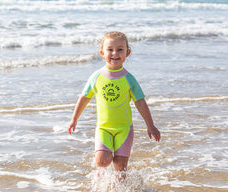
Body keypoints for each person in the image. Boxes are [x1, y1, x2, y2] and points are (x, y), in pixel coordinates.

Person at [68, 31, 161, 174]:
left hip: (124, 129)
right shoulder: (96, 77)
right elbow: (84, 98)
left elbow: (140, 102)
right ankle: (101, 176)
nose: (115, 53)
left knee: (120, 166)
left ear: (127, 53)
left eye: (120, 49)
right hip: (103, 128)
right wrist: (74, 119)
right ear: (102, 52)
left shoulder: (129, 79)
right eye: (110, 49)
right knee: (102, 160)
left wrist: (151, 125)